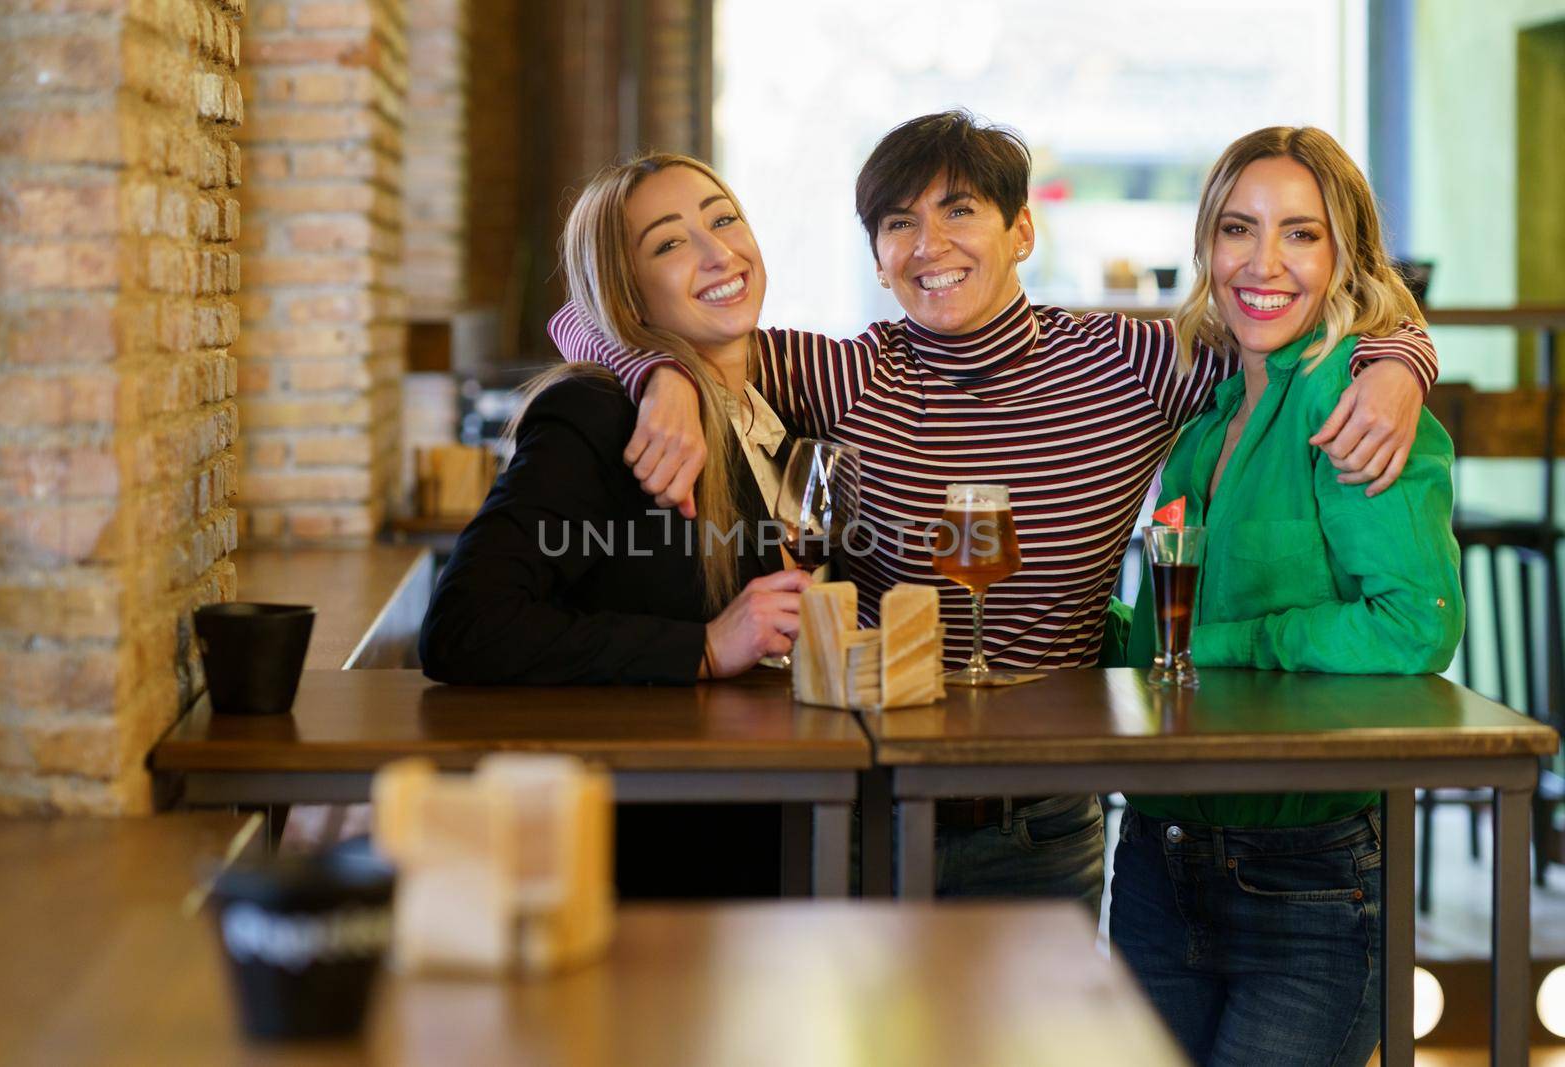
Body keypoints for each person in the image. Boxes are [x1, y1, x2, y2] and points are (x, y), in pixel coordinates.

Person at [547, 111, 1440, 908]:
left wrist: (1401, 361)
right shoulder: (840, 374)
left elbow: (1290, 311)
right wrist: (656, 373)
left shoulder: (1129, 363)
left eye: (959, 211)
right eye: (900, 223)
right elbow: (580, 320)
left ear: (1021, 229)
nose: (929, 245)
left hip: (1043, 818)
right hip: (869, 799)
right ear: (878, 256)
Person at [1107, 126, 1463, 1067]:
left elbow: (1413, 626)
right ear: (1204, 249)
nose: (1263, 263)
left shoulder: (1353, 403)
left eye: (1300, 234)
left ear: (1347, 253)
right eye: (1237, 229)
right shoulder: (1209, 411)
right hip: (1158, 854)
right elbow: (1161, 636)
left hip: (1310, 874)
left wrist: (1230, 644)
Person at [420, 153, 815, 896]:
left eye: (723, 219)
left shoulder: (783, 406)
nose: (717, 252)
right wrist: (700, 648)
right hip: (657, 859)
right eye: (669, 243)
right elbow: (465, 626)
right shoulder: (597, 414)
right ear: (628, 293)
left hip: (782, 828)